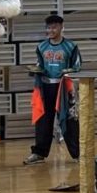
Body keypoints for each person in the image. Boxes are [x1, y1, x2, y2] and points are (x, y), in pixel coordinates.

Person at [25, 14, 81, 164]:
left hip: (63, 88)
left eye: (54, 27)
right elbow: (40, 65)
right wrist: (35, 70)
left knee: (69, 120)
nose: (51, 30)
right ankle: (39, 153)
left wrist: (67, 71)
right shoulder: (41, 47)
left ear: (61, 27)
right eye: (49, 27)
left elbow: (77, 67)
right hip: (45, 87)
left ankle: (77, 154)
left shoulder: (71, 46)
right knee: (43, 120)